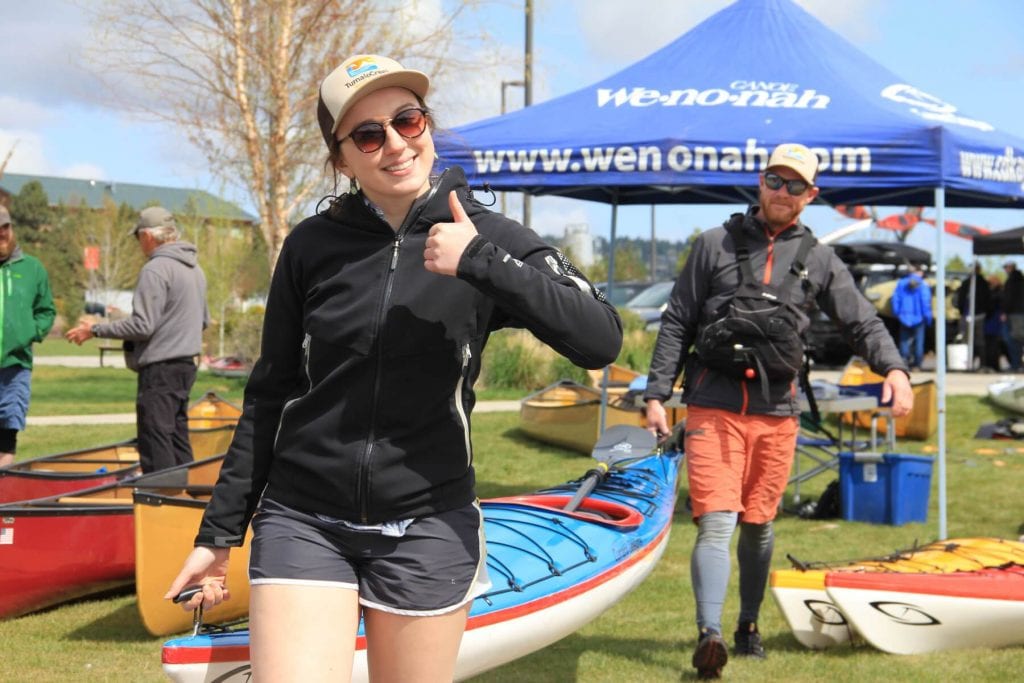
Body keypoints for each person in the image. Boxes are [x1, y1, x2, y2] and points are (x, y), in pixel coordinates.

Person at [165, 54, 622, 682]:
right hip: (304, 516)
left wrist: (480, 262)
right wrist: (219, 534)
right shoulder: (311, 246)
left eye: (408, 120)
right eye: (369, 135)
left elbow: (600, 338)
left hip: (429, 522)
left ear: (427, 124)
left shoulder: (486, 235)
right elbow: (269, 394)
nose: (396, 144)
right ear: (342, 158)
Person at [643, 143, 913, 680]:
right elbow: (677, 320)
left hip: (777, 411)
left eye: (795, 186)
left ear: (810, 196)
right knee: (716, 521)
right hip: (713, 404)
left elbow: (862, 322)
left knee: (759, 526)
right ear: (760, 182)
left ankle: (747, 624)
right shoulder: (712, 244)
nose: (782, 192)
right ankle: (710, 636)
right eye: (774, 180)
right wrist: (655, 393)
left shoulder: (819, 259)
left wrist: (895, 370)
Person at [65, 206, 209, 473]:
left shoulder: (155, 269)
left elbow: (143, 325)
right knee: (177, 435)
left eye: (137, 237)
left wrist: (95, 329)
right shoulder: (195, 270)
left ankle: (159, 502)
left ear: (148, 236)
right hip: (186, 366)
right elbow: (202, 321)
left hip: (160, 369)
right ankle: (189, 499)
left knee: (155, 439)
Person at [0, 205, 56, 468]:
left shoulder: (32, 268)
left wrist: (29, 332)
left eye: (5, 228)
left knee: (8, 433)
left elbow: (46, 310)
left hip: (16, 366)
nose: (2, 234)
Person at [891, 266, 933, 371]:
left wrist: (897, 313)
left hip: (904, 317)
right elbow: (925, 302)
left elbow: (895, 299)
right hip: (919, 317)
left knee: (904, 341)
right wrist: (928, 318)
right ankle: (917, 364)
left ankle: (904, 361)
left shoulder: (901, 283)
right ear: (920, 272)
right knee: (919, 341)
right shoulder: (923, 285)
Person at [956, 263, 991, 370]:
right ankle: (976, 364)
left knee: (971, 341)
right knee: (975, 341)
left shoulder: (971, 283)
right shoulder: (976, 283)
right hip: (973, 314)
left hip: (975, 315)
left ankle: (975, 363)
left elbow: (961, 300)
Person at [1002, 261, 1024, 371]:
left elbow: (1009, 298)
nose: (1004, 269)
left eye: (1005, 267)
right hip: (1017, 313)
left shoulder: (1013, 281)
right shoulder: (1019, 280)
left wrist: (1005, 312)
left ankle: (1016, 364)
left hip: (1015, 313)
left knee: (1014, 339)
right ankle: (1017, 364)